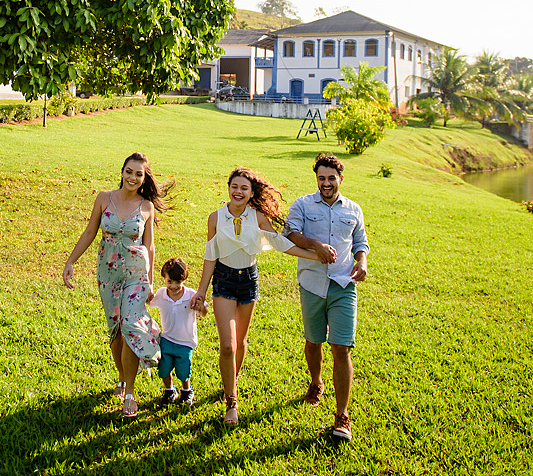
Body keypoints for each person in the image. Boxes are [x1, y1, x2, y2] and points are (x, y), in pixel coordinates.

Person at [189, 167, 320, 425]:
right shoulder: (215, 218)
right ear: (228, 188)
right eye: (234, 187)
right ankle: (232, 401)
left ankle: (232, 381)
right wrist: (201, 290)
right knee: (228, 345)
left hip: (248, 280)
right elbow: (210, 255)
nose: (238, 192)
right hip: (224, 279)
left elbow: (281, 243)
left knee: (240, 342)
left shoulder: (258, 217)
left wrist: (315, 256)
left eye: (244, 188)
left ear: (251, 193)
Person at [63, 152, 165, 418]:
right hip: (108, 273)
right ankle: (122, 376)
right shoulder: (103, 198)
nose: (133, 177)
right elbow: (90, 232)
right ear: (122, 172)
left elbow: (149, 246)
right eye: (129, 171)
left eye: (139, 174)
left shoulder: (146, 206)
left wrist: (149, 281)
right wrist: (71, 261)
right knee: (116, 330)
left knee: (130, 324)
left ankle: (130, 391)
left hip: (135, 275)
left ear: (144, 178)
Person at [283, 153, 370, 442]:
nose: (326, 183)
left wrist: (362, 261)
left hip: (344, 284)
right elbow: (290, 232)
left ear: (340, 179)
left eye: (331, 178)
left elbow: (360, 242)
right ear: (317, 179)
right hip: (312, 283)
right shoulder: (303, 204)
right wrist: (315, 245)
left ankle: (342, 415)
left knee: (341, 348)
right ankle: (316, 381)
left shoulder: (354, 209)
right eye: (321, 178)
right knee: (313, 341)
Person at [148, 257, 206, 407]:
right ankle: (169, 390)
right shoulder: (161, 294)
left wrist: (201, 307)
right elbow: (149, 302)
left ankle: (186, 390)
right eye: (169, 282)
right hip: (167, 339)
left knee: (183, 371)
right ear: (164, 278)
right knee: (163, 368)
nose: (173, 286)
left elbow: (204, 312)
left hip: (185, 342)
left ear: (184, 280)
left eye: (178, 282)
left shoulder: (191, 295)